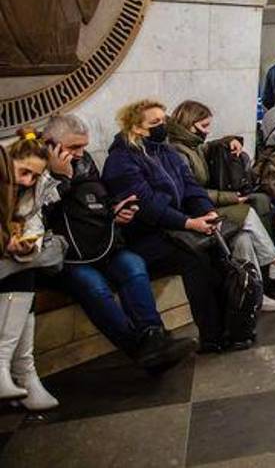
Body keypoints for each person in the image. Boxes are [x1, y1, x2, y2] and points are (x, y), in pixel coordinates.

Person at [40, 115, 196, 372]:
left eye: (83, 146)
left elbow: (95, 200)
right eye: (73, 147)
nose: (80, 153)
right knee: (94, 286)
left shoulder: (85, 163)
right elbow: (38, 215)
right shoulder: (36, 169)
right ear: (50, 144)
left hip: (101, 243)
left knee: (133, 265)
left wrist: (115, 210)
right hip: (67, 257)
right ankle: (141, 349)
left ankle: (154, 336)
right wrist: (60, 178)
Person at [101, 100, 233, 352]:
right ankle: (212, 336)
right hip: (143, 236)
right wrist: (189, 222)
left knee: (216, 251)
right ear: (136, 128)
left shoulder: (166, 151)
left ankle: (230, 326)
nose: (163, 126)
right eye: (155, 122)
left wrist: (207, 212)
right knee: (194, 257)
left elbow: (191, 187)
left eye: (164, 120)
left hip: (173, 229)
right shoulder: (121, 160)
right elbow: (147, 205)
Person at [166, 101, 275, 312]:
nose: (207, 131)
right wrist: (230, 198)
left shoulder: (191, 145)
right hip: (194, 213)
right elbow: (190, 192)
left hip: (204, 206)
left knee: (243, 238)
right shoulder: (178, 153)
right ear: (189, 124)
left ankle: (254, 293)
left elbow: (209, 147)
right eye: (203, 126)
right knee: (246, 212)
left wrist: (231, 140)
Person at [0, 134, 61, 409]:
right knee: (22, 272)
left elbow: (34, 224)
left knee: (25, 270)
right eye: (24, 172)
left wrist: (27, 246)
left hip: (8, 265)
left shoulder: (29, 192)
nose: (28, 181)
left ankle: (18, 371)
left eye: (35, 177)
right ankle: (19, 371)